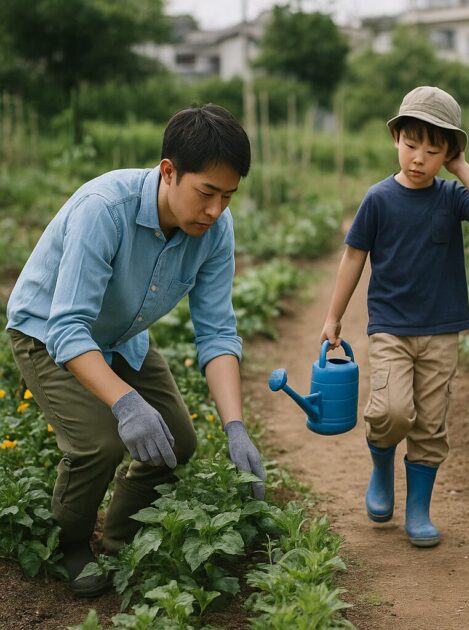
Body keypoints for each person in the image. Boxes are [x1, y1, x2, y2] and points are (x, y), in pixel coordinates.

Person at [6, 104, 266, 597]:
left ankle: (120, 538)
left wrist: (235, 427)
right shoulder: (105, 208)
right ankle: (70, 543)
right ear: (168, 171)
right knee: (99, 443)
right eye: (206, 193)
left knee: (178, 442)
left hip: (121, 335)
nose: (215, 210)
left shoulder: (215, 231)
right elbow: (67, 326)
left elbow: (216, 333)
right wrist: (125, 403)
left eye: (228, 197)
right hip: (48, 331)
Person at [320, 86, 469, 547]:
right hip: (391, 328)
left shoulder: (449, 197)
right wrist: (333, 316)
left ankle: (418, 511)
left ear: (448, 153)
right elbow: (352, 259)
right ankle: (382, 468)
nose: (419, 157)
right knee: (392, 410)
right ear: (396, 139)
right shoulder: (379, 198)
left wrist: (460, 166)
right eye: (411, 144)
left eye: (433, 148)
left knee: (430, 423)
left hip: (441, 331)